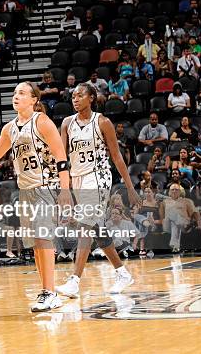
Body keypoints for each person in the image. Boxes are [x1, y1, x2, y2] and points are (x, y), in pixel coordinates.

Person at [0, 82, 72, 311]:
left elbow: (61, 157)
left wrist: (65, 191)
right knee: (36, 244)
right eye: (15, 92)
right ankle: (47, 291)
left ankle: (50, 292)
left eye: (22, 93)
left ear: (34, 100)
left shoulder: (42, 122)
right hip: (24, 190)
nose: (16, 96)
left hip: (47, 185)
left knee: (43, 238)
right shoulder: (10, 128)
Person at [56, 83, 141, 299]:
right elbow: (62, 158)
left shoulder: (103, 122)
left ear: (91, 98)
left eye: (80, 95)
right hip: (78, 178)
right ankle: (122, 272)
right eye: (73, 96)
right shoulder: (67, 123)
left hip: (99, 176)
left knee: (85, 225)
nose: (75, 99)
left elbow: (117, 157)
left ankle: (74, 281)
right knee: (95, 227)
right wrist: (63, 187)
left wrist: (130, 187)